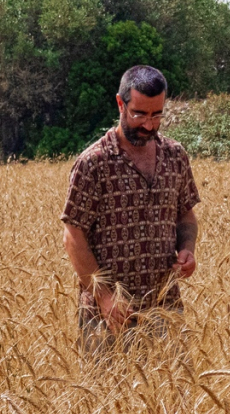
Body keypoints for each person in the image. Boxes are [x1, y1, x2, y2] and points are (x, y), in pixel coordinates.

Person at [60, 65, 200, 358]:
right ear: (120, 104)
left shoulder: (175, 156)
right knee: (105, 400)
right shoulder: (93, 163)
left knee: (174, 399)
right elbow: (73, 235)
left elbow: (185, 215)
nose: (149, 125)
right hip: (108, 315)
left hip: (165, 309)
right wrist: (105, 298)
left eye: (157, 115)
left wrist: (187, 249)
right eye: (139, 114)